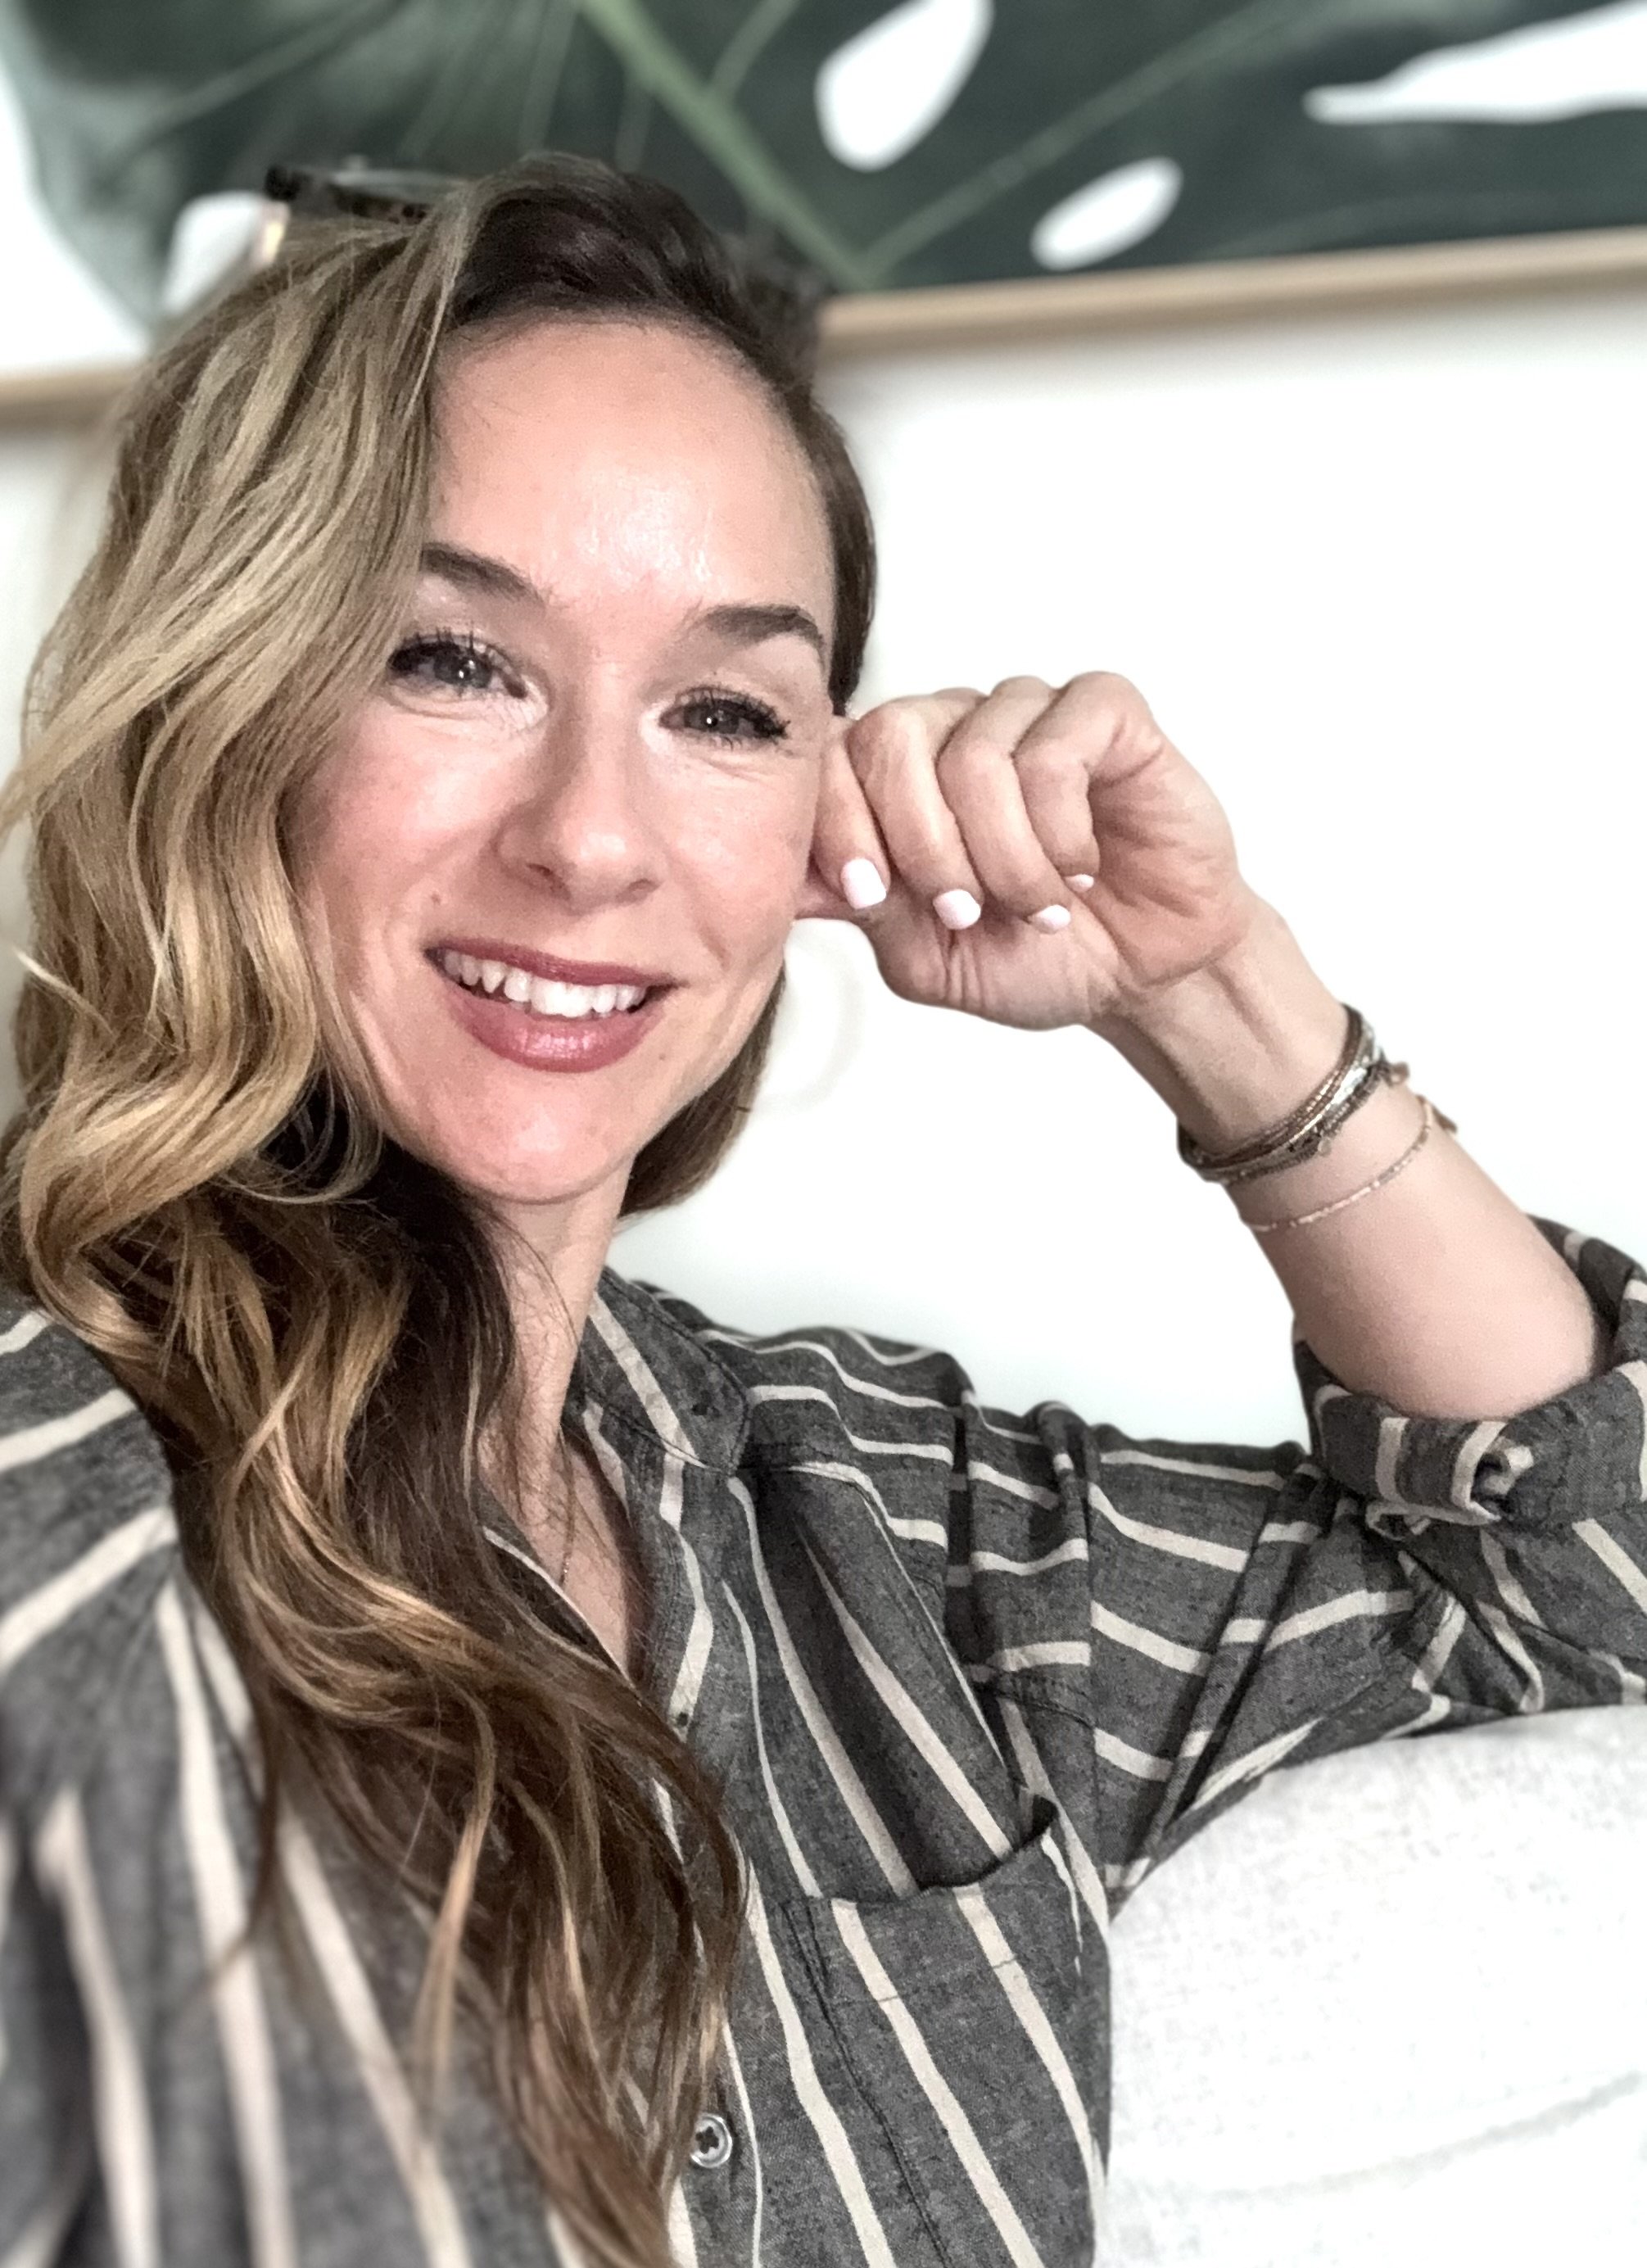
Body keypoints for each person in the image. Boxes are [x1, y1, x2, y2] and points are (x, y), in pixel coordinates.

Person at [0, 155, 1640, 2268]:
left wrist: (1216, 997)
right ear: (221, 707)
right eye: (453, 660)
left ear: (820, 814)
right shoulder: (54, 1507)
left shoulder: (883, 1529)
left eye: (725, 711)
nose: (595, 840)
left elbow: (1583, 1587)